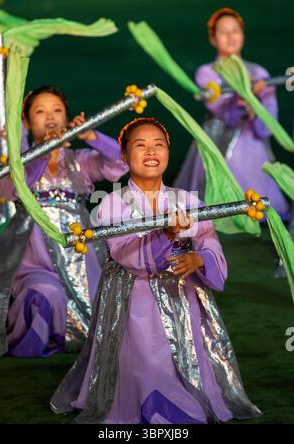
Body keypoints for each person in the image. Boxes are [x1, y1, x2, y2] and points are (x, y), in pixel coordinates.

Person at [50, 117, 261, 424]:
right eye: (140, 145)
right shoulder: (111, 205)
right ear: (123, 156)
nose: (151, 151)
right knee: (148, 367)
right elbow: (127, 256)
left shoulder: (188, 201)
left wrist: (199, 260)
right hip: (134, 302)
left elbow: (209, 243)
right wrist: (169, 235)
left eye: (158, 144)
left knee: (187, 367)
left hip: (183, 299)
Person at [0, 85, 128, 358]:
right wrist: (43, 152)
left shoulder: (79, 161)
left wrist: (90, 135)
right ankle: (33, 348)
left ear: (67, 118)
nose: (50, 117)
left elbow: (120, 163)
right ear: (28, 123)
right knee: (43, 293)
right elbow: (12, 190)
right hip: (35, 261)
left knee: (109, 310)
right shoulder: (18, 164)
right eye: (40, 112)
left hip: (80, 258)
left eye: (57, 110)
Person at [174, 7, 289, 219]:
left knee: (260, 210)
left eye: (235, 30)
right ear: (213, 38)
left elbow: (267, 125)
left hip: (253, 145)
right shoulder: (207, 73)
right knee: (213, 212)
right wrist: (244, 95)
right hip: (217, 145)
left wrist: (258, 104)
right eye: (223, 31)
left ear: (243, 34)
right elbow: (226, 114)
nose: (230, 36)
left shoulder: (260, 73)